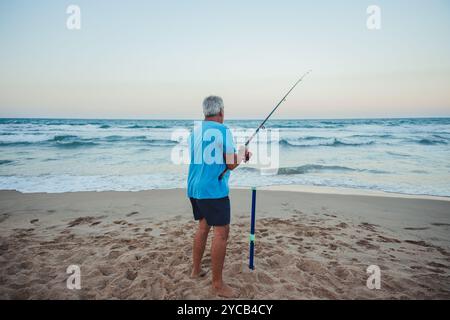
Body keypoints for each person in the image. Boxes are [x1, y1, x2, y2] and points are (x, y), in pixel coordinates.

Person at [187, 95, 251, 298]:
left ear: (205, 112)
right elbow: (231, 164)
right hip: (213, 191)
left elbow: (209, 160)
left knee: (203, 227)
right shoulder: (223, 130)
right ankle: (217, 284)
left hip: (194, 188)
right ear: (221, 111)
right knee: (221, 233)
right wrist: (242, 154)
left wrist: (236, 157)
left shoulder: (194, 132)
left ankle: (196, 271)